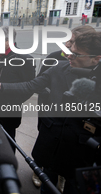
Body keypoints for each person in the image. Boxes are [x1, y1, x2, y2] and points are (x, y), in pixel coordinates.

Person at [0, 32, 101, 194]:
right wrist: (3, 86)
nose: (69, 55)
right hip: (52, 145)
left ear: (96, 58)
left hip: (82, 153)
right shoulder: (58, 68)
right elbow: (31, 85)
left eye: (76, 54)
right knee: (47, 185)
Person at [32, 25, 96, 189]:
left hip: (76, 134)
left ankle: (61, 177)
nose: (68, 45)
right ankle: (40, 170)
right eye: (68, 40)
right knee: (48, 153)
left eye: (72, 41)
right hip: (50, 117)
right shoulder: (54, 57)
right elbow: (38, 83)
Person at [0, 26, 35, 168]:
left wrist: (11, 101)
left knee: (9, 137)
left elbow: (29, 88)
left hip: (10, 109)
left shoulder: (25, 59)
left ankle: (7, 166)